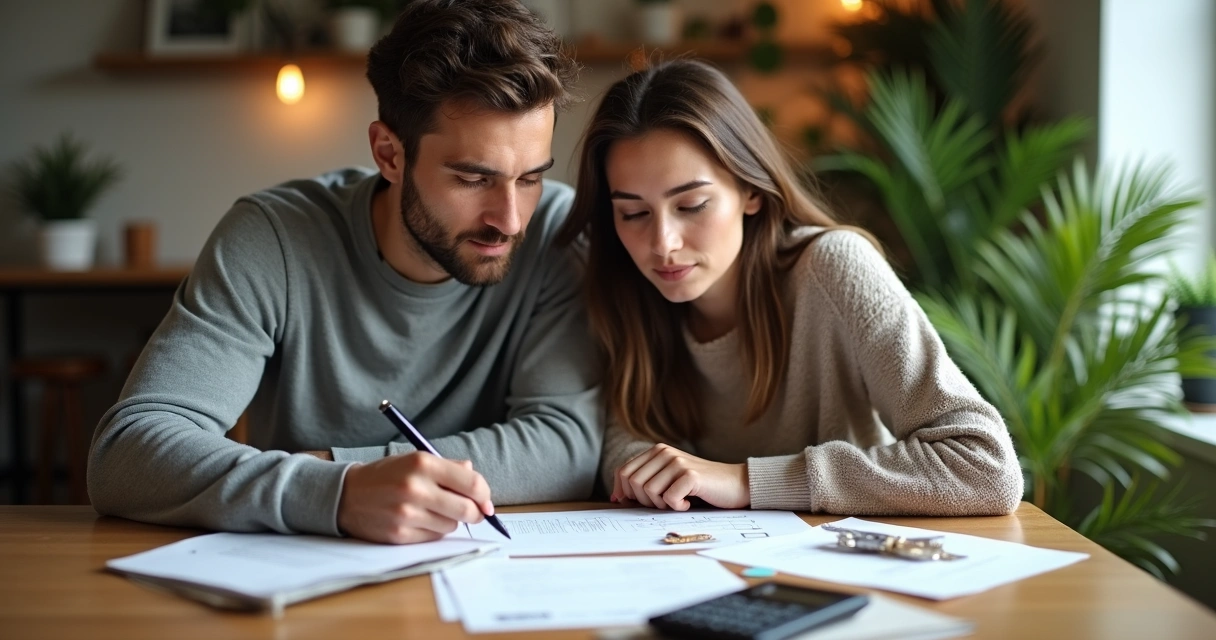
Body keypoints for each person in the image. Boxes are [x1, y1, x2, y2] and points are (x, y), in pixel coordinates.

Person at [89, 0, 603, 544]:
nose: (510, 219)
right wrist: (337, 493)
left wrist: (338, 466)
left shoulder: (555, 234)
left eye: (530, 178)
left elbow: (566, 446)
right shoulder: (273, 238)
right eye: (473, 179)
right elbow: (127, 452)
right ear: (389, 154)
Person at [556, 59, 1022, 516]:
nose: (662, 244)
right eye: (633, 213)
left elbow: (986, 467)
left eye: (692, 204)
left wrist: (744, 481)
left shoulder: (834, 268)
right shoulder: (624, 287)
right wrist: (654, 473)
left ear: (751, 191)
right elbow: (622, 442)